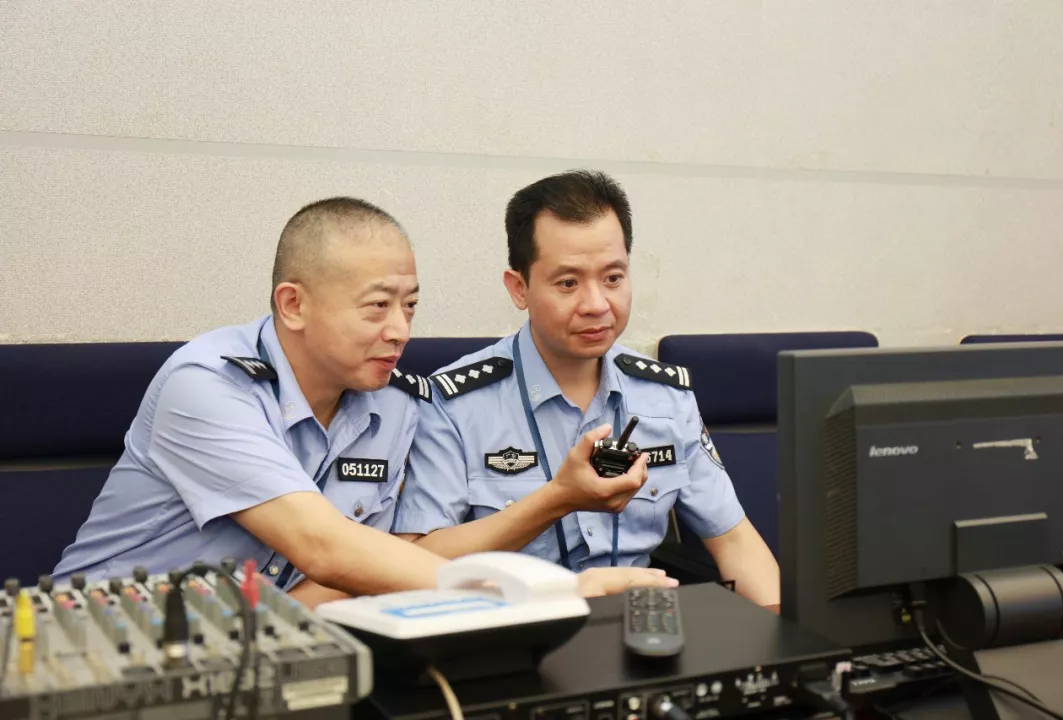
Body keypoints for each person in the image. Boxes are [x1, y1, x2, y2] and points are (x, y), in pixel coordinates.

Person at [54, 196, 675, 606]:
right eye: (377, 306)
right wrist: (544, 595)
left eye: (410, 306)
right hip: (95, 647)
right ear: (293, 305)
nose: (400, 330)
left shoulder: (395, 405)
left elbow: (360, 571)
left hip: (255, 644)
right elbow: (323, 547)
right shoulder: (209, 386)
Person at [393, 171, 780, 607]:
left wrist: (781, 639)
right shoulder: (454, 403)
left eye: (613, 278)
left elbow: (735, 542)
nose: (597, 305)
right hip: (513, 628)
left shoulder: (665, 396)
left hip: (640, 626)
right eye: (568, 283)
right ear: (519, 288)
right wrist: (556, 500)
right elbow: (416, 562)